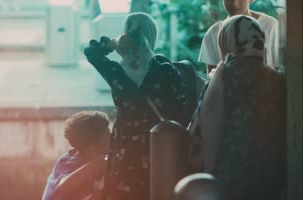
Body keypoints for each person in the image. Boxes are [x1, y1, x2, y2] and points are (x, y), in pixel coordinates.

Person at [84, 12, 187, 200]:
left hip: (125, 145)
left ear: (126, 36)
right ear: (153, 36)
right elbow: (182, 107)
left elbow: (91, 51)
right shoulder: (167, 70)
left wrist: (114, 43)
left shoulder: (115, 71)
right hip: (160, 145)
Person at [189, 15, 286, 200]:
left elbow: (207, 126)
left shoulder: (223, 75)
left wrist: (207, 173)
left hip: (230, 170)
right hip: (269, 172)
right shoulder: (277, 77)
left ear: (228, 40)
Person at [199, 0, 280, 74]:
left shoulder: (271, 26)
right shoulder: (213, 33)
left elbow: (280, 73)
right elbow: (211, 81)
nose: (234, 3)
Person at [42, 111, 111, 200]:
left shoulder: (95, 160)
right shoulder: (68, 162)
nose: (113, 137)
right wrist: (94, 164)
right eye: (108, 135)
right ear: (92, 147)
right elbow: (64, 188)